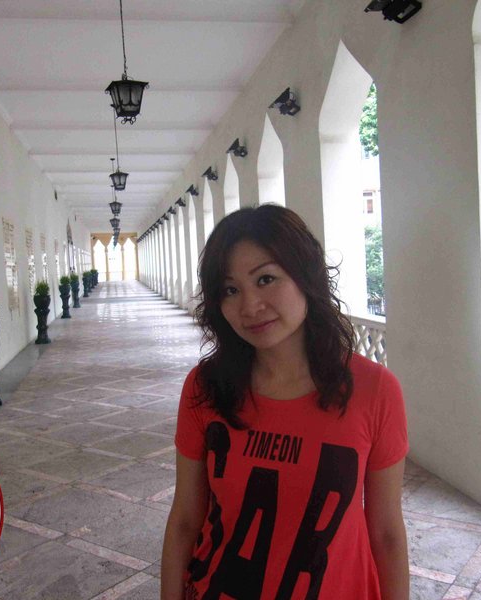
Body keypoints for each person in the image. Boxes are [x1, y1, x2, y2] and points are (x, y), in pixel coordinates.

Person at [161, 204, 409, 600]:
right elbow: (186, 520)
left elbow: (386, 533)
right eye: (230, 290)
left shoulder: (373, 390)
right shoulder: (205, 387)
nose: (250, 307)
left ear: (305, 276)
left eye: (266, 279)